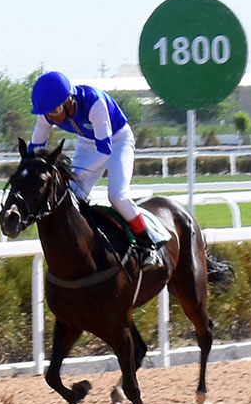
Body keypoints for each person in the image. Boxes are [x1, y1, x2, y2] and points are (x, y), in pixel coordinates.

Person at [27, 70, 164, 270]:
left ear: (68, 101)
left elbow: (105, 151)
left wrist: (77, 174)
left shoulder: (94, 102)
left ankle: (147, 245)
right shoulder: (47, 113)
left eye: (54, 112)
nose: (51, 119)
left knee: (117, 196)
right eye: (47, 113)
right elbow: (34, 150)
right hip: (87, 142)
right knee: (72, 196)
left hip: (117, 141)